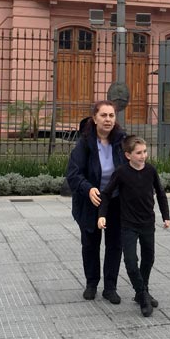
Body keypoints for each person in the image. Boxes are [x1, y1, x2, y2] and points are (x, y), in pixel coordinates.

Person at [98, 135, 170, 317]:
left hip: (147, 223)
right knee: (131, 262)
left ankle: (141, 291)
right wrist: (102, 216)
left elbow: (160, 194)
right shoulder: (121, 173)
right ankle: (143, 296)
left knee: (149, 259)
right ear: (128, 155)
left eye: (145, 152)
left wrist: (166, 216)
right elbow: (106, 194)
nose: (143, 156)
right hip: (128, 225)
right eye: (138, 153)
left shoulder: (151, 171)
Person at [66, 100, 126, 304]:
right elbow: (73, 174)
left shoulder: (122, 141)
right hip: (90, 200)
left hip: (115, 201)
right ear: (94, 118)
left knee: (114, 244)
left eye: (111, 115)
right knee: (90, 244)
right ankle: (91, 283)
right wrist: (88, 188)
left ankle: (110, 287)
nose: (108, 119)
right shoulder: (85, 142)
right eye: (103, 115)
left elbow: (133, 167)